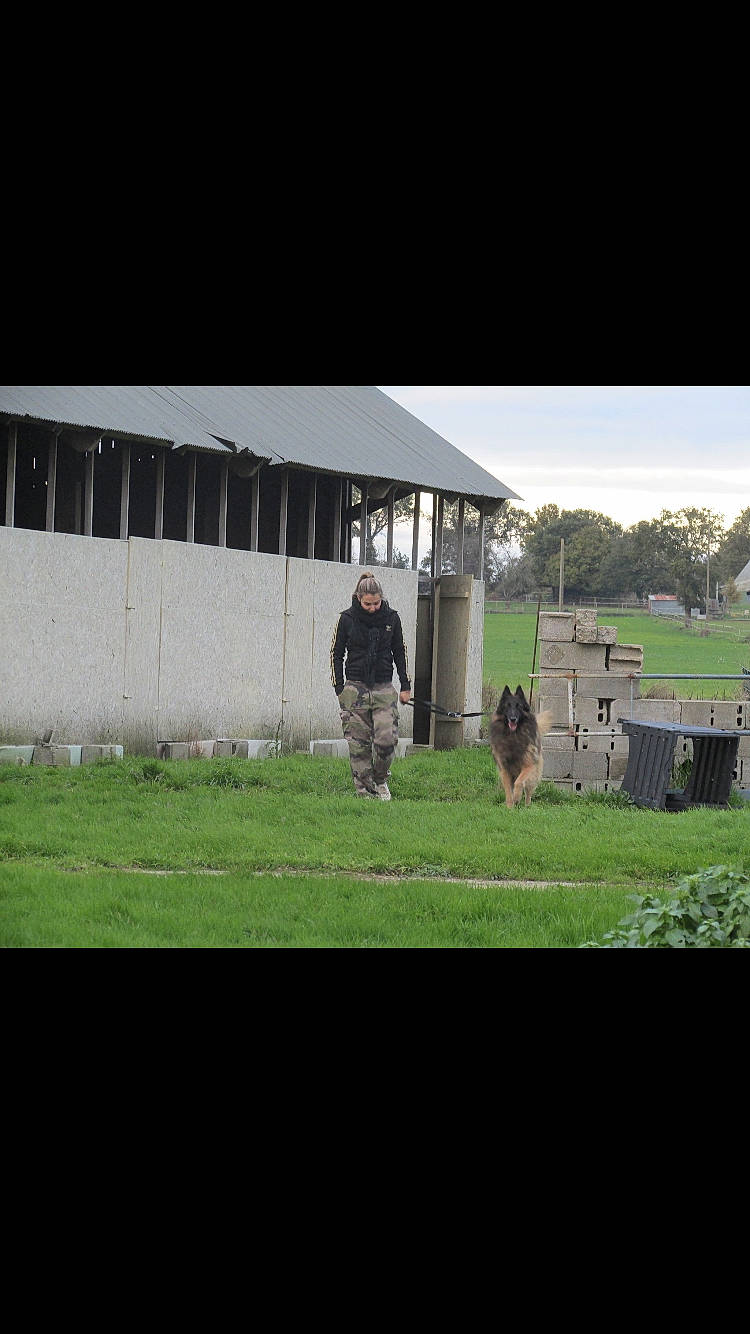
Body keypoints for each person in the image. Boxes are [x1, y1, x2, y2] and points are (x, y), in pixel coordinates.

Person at [330, 572, 412, 799]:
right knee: (359, 745)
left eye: (376, 603)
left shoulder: (392, 618)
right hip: (354, 687)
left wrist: (405, 685)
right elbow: (336, 654)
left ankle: (380, 779)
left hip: (384, 686)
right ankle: (365, 794)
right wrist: (339, 687)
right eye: (368, 604)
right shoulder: (346, 619)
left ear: (381, 599)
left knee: (386, 740)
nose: (373, 608)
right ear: (358, 598)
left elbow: (400, 651)